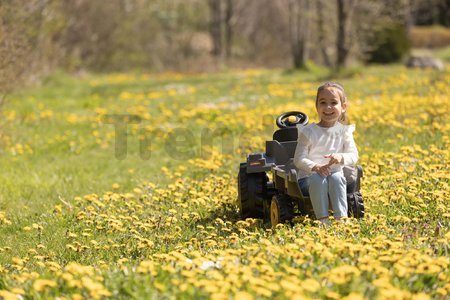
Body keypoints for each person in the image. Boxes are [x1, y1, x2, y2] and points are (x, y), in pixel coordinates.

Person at [294, 82, 358, 224]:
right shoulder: (308, 132)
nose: (328, 107)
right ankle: (322, 220)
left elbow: (353, 155)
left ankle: (341, 219)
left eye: (333, 103)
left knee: (336, 179)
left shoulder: (344, 132)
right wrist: (315, 167)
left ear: (343, 107)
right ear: (316, 106)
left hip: (334, 173)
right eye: (323, 102)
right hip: (309, 177)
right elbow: (299, 159)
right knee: (318, 179)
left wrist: (340, 157)